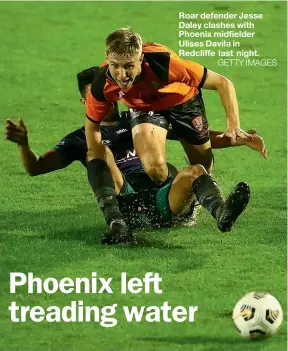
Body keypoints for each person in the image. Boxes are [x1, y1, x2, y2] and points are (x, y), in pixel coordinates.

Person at [5, 67, 267, 243]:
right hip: (129, 201)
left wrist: (237, 140)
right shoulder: (80, 138)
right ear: (86, 102)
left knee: (196, 170)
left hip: (165, 196)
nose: (105, 100)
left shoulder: (140, 119)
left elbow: (194, 135)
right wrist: (23, 145)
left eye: (108, 93)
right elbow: (36, 167)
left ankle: (222, 212)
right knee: (98, 149)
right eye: (97, 96)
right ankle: (117, 225)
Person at [84, 29, 254, 235]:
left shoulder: (164, 64)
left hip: (184, 102)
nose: (122, 74)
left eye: (129, 66)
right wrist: (97, 163)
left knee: (202, 166)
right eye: (115, 66)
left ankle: (190, 204)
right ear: (107, 59)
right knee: (154, 169)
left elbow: (222, 83)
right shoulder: (102, 83)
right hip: (146, 107)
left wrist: (233, 125)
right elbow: (92, 126)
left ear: (141, 59)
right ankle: (169, 201)